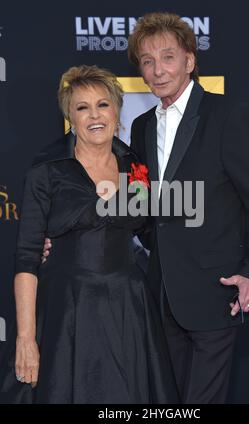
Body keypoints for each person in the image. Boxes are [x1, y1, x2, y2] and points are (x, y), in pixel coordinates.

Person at [126, 12, 249, 403]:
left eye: (167, 57)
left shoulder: (227, 115)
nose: (157, 70)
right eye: (147, 61)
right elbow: (141, 208)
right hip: (161, 296)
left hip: (216, 296)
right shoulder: (141, 127)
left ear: (189, 61)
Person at [0, 65, 179, 404]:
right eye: (82, 107)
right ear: (70, 115)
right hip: (67, 311)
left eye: (103, 104)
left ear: (117, 109)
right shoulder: (47, 170)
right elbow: (26, 259)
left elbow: (153, 232)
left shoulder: (135, 167)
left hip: (128, 309)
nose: (94, 116)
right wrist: (26, 337)